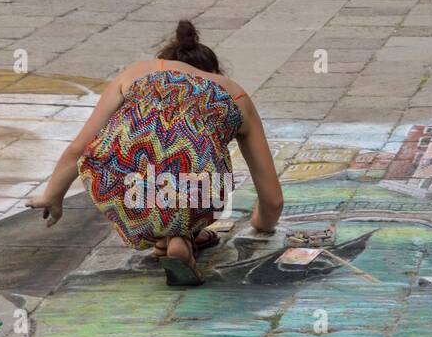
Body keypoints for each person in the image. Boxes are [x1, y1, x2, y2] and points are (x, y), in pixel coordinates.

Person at [27, 20, 284, 286]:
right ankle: (181, 235)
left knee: (148, 158)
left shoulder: (138, 71)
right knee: (187, 166)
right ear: (214, 71)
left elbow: (79, 148)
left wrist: (53, 196)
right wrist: (261, 223)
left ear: (166, 59)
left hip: (121, 184)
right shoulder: (235, 94)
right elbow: (273, 200)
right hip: (198, 187)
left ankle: (172, 236)